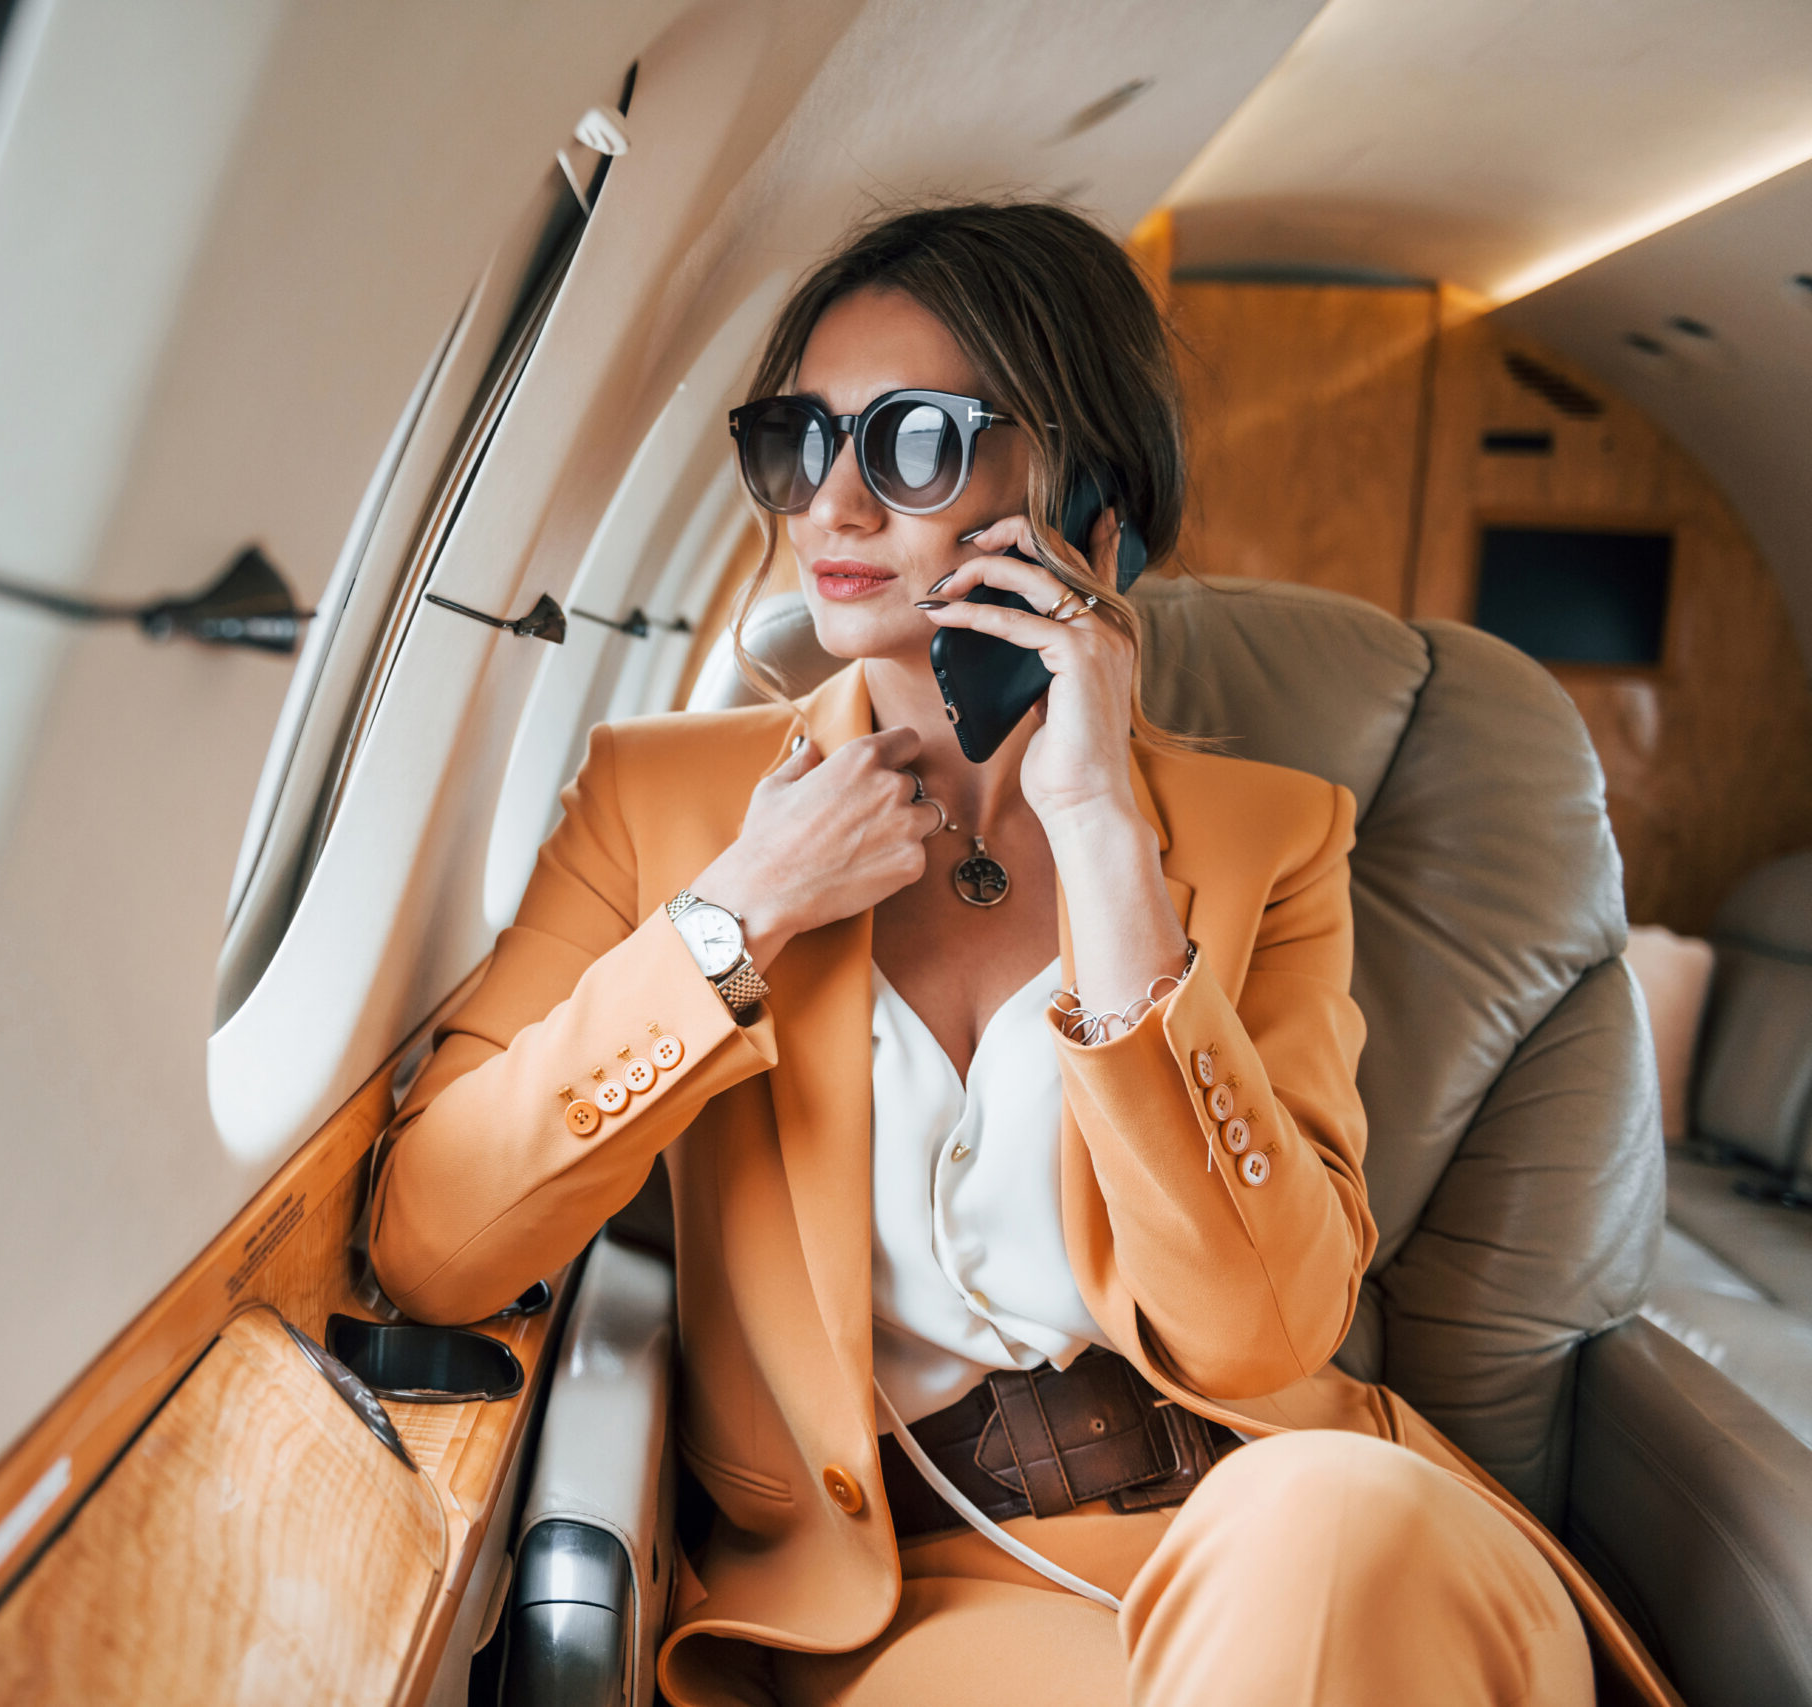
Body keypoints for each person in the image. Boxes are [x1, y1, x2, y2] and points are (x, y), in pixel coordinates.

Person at [369, 203, 1662, 1706]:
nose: (833, 507)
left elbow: (1261, 1335)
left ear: (1088, 495)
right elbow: (432, 1244)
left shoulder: (1270, 839)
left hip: (1314, 1528)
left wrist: (1107, 837)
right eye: (800, 441)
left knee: (1335, 1526)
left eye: (912, 443)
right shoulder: (660, 806)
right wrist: (737, 917)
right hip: (931, 1600)